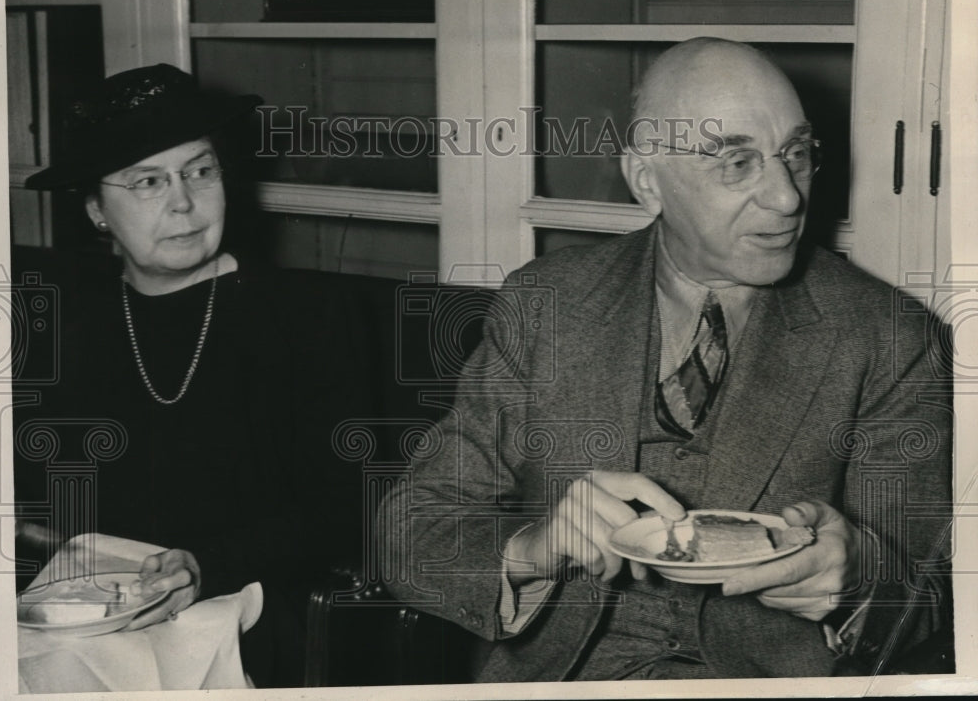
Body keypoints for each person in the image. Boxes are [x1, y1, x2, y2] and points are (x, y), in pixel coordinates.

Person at [378, 38, 953, 680]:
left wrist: (859, 578)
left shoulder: (890, 335)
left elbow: (930, 592)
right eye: (736, 163)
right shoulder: (546, 305)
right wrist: (528, 547)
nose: (788, 198)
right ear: (647, 181)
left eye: (795, 153)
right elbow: (412, 529)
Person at [14, 64, 364, 687]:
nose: (183, 201)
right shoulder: (55, 324)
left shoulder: (307, 319)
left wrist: (210, 565)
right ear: (97, 210)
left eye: (199, 171)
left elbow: (345, 507)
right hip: (73, 599)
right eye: (148, 181)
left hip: (240, 607)